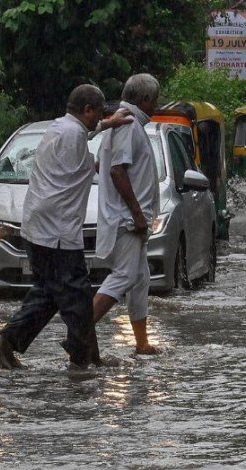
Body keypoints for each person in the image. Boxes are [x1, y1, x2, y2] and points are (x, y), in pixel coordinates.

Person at [0, 85, 133, 370]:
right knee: (77, 296)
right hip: (58, 231)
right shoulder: (74, 135)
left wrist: (105, 124)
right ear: (87, 110)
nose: (98, 118)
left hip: (37, 226)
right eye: (98, 113)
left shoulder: (59, 127)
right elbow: (97, 163)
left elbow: (85, 131)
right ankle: (83, 361)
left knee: (49, 293)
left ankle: (7, 340)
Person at [93, 73, 162, 356]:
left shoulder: (121, 122)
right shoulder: (127, 124)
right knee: (123, 276)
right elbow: (115, 170)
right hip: (128, 220)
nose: (157, 105)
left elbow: (102, 165)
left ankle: (142, 342)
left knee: (139, 278)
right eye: (155, 100)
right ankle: (79, 332)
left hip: (131, 218)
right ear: (144, 99)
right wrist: (136, 213)